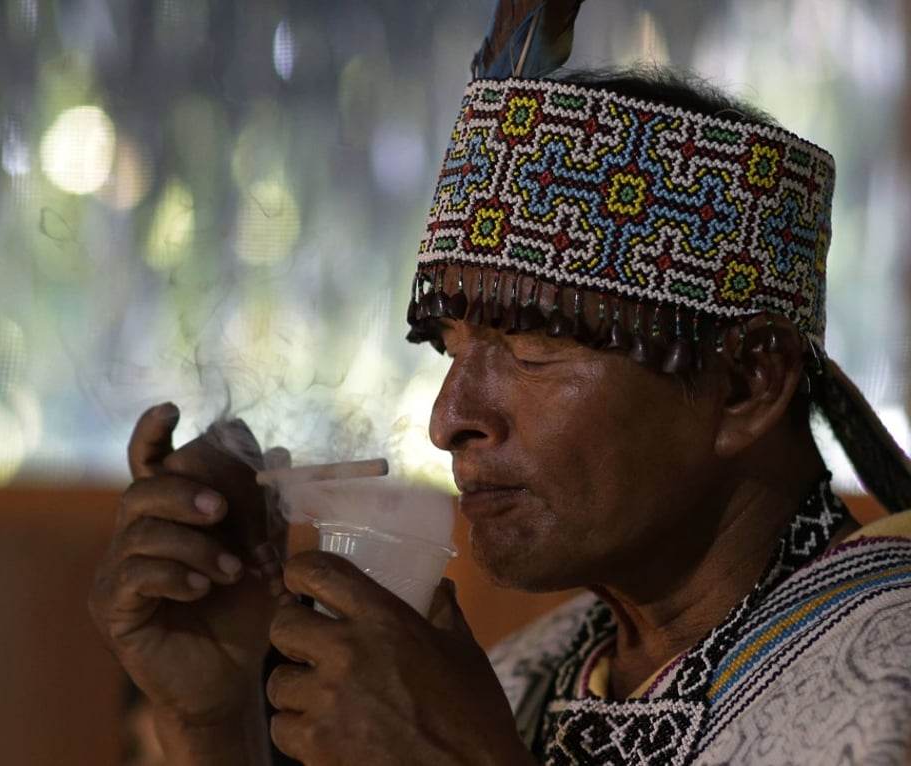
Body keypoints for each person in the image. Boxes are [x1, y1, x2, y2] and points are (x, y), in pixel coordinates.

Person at [88, 2, 911, 763]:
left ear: (747, 384)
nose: (450, 418)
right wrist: (215, 721)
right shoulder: (523, 679)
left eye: (533, 346)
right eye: (450, 348)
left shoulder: (890, 683)